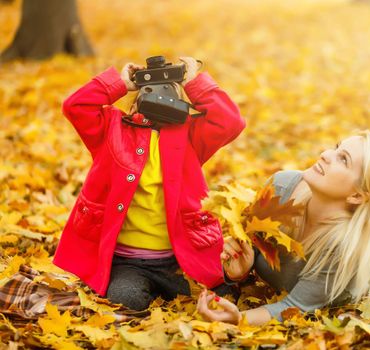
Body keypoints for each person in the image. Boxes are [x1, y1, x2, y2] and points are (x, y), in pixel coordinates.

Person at [53, 57, 246, 311]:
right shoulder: (113, 130)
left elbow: (230, 122)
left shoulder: (190, 137)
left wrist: (193, 81)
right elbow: (76, 106)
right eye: (149, 91)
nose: (159, 99)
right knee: (125, 300)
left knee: (224, 299)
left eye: (169, 93)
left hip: (180, 261)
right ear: (135, 101)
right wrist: (119, 83)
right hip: (128, 264)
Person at [197, 132, 370, 325]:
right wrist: (239, 274)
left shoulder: (344, 250)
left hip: (356, 249)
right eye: (336, 148)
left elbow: (294, 307)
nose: (325, 154)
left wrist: (239, 319)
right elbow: (247, 248)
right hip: (363, 197)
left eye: (343, 159)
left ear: (358, 195)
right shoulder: (281, 186)